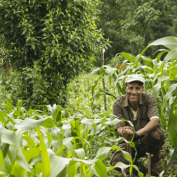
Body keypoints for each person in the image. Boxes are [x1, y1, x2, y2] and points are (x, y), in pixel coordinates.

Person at [110, 74, 164, 175]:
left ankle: (154, 161)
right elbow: (118, 127)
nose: (134, 92)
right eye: (131, 88)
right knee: (117, 163)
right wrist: (125, 131)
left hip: (146, 140)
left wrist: (137, 134)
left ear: (142, 89)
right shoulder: (118, 103)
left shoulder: (148, 98)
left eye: (137, 88)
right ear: (126, 88)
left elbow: (155, 121)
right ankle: (135, 165)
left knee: (156, 133)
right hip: (128, 142)